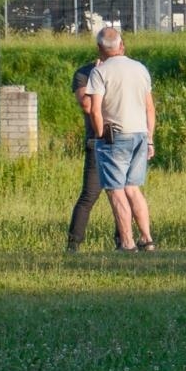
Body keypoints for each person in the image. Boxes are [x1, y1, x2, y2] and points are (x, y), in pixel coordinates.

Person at [83, 27, 156, 251]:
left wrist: (99, 134)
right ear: (121, 45)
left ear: (100, 48)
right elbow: (150, 108)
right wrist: (150, 138)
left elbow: (94, 110)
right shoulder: (140, 68)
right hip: (140, 134)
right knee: (133, 188)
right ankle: (147, 238)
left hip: (115, 135)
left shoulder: (100, 72)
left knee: (115, 189)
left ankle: (127, 242)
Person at [66, 42, 107, 251]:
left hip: (123, 139)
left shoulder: (125, 71)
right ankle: (73, 243)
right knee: (89, 194)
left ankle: (125, 241)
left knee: (124, 194)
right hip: (97, 141)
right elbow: (87, 105)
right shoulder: (85, 73)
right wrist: (97, 76)